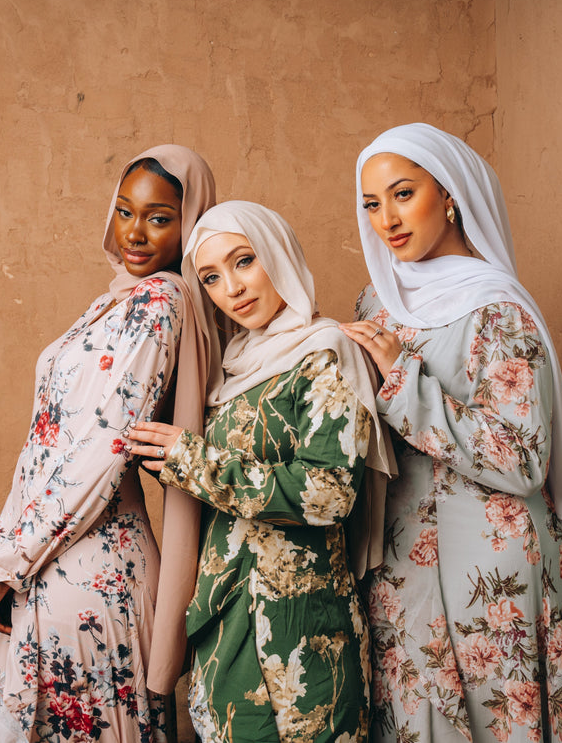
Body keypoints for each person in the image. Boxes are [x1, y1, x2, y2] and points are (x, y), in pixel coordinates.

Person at [339, 123, 562, 743]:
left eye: (403, 194)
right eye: (372, 204)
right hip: (401, 557)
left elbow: (523, 458)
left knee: (501, 718)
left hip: (493, 562)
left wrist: (404, 383)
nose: (386, 220)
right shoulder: (374, 304)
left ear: (450, 194)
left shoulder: (497, 308)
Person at [126, 201, 395, 743]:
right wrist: (168, 461)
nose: (231, 287)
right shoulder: (231, 368)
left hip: (302, 629)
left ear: (277, 252)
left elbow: (329, 493)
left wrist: (192, 459)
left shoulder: (324, 351)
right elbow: (223, 485)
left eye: (244, 260)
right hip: (224, 619)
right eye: (211, 277)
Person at [0, 145, 216, 743]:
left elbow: (100, 451)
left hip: (92, 565)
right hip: (52, 557)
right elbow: (44, 442)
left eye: (159, 217)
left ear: (191, 224)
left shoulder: (160, 304)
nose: (135, 232)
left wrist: (12, 560)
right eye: (124, 210)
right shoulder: (114, 303)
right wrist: (3, 548)